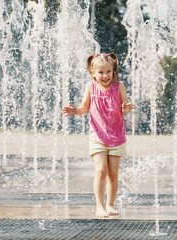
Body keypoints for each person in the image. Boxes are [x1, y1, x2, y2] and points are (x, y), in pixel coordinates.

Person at [62, 53, 135, 218]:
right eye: (101, 72)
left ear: (113, 71)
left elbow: (124, 109)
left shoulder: (119, 86)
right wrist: (75, 111)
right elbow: (84, 107)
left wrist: (127, 108)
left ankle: (110, 204)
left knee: (113, 172)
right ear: (93, 73)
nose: (105, 76)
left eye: (108, 71)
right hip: (98, 136)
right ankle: (99, 206)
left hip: (116, 136)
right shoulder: (91, 87)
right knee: (101, 170)